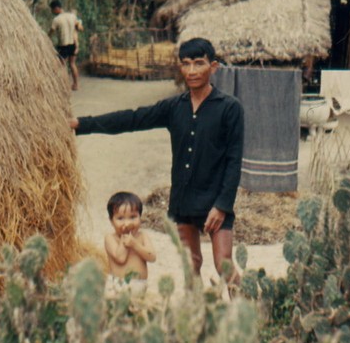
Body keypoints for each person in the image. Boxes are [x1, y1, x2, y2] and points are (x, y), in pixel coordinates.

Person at [70, 37, 244, 285]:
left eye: (199, 63)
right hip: (183, 201)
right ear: (180, 68)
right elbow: (132, 118)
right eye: (186, 64)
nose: (192, 71)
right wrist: (82, 124)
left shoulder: (230, 108)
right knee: (190, 263)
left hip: (216, 201)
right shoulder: (174, 107)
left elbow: (234, 160)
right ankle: (194, 316)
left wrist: (222, 206)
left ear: (213, 67)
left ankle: (250, 313)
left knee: (224, 266)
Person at [104, 191, 156, 298]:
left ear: (140, 217)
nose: (127, 223)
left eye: (133, 217)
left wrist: (135, 245)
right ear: (111, 221)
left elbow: (152, 257)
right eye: (120, 218)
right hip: (117, 285)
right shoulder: (110, 238)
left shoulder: (142, 236)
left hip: (139, 285)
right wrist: (124, 242)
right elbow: (120, 258)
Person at [48, 0, 80, 91]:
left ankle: (63, 86)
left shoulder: (57, 19)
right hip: (73, 43)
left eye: (52, 10)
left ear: (57, 8)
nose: (52, 12)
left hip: (63, 44)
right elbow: (78, 27)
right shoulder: (72, 16)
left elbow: (51, 31)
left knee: (61, 66)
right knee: (72, 64)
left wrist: (46, 37)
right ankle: (76, 85)